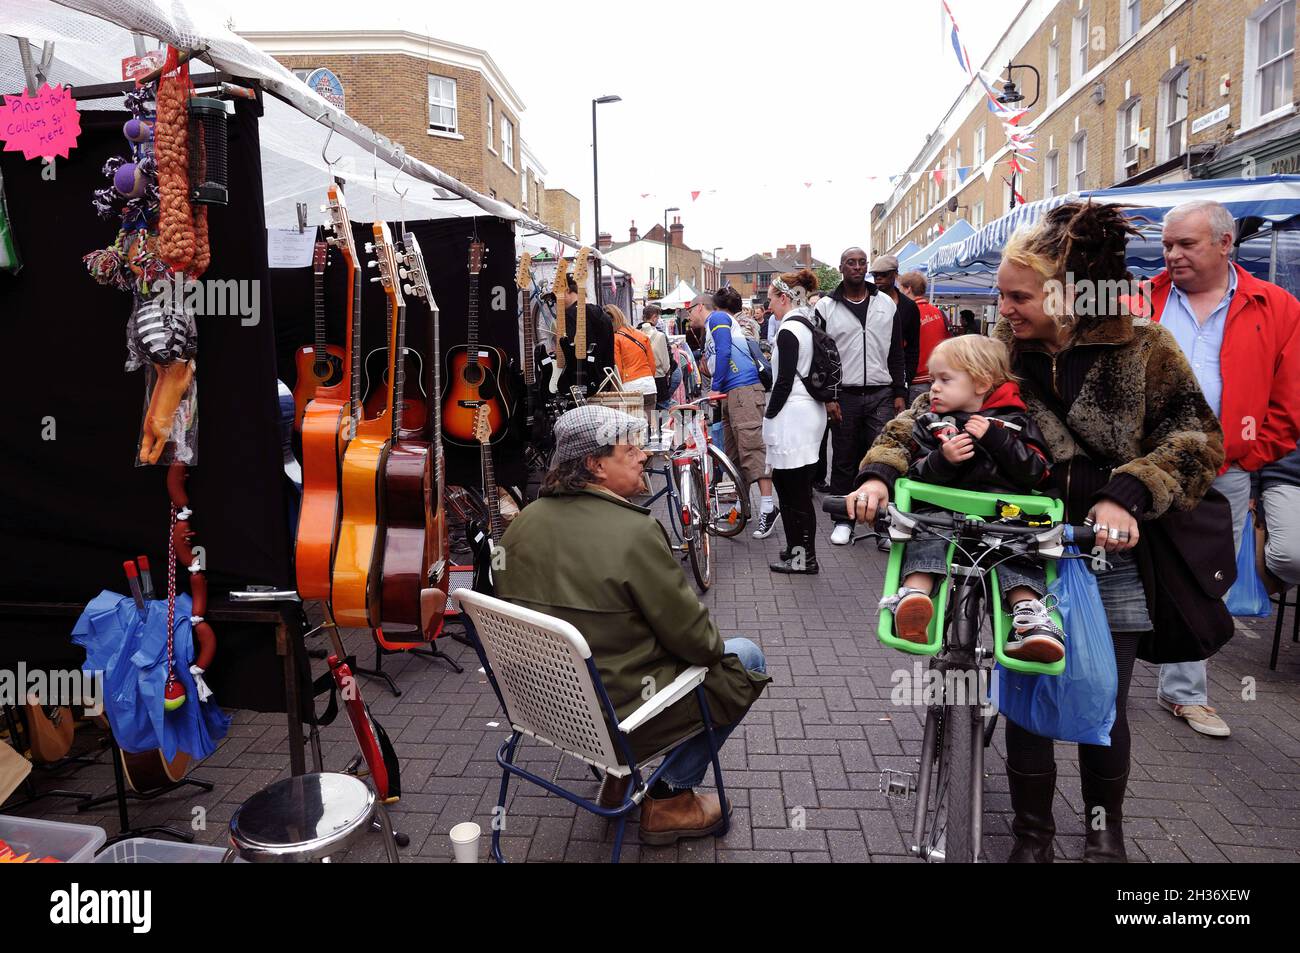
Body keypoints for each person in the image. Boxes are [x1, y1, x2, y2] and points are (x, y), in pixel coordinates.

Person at [851, 201, 1224, 863]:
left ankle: (1104, 833)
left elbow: (1196, 441)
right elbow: (919, 415)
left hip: (1105, 552)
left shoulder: (1145, 347)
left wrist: (1127, 493)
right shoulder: (1002, 352)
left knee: (1101, 698)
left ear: (1065, 291)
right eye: (1000, 293)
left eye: (1016, 294)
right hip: (1020, 544)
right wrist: (880, 471)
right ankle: (1033, 837)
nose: (1004, 306)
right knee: (1027, 688)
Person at [493, 404, 770, 842]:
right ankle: (669, 799)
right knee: (745, 656)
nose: (644, 455)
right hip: (619, 716)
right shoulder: (634, 532)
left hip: (545, 709)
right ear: (595, 465)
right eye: (630, 449)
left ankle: (618, 777)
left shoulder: (520, 526)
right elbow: (701, 645)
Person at [1147, 199, 1300, 738]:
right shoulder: (1140, 299)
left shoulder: (1276, 306)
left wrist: (1245, 456)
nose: (1173, 254)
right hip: (1140, 463)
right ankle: (1100, 675)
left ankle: (1184, 693)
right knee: (1110, 561)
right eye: (1168, 244)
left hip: (1223, 468)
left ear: (1224, 243)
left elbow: (1290, 400)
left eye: (1186, 244)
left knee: (1202, 578)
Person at [865, 336, 1062, 661]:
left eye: (944, 379)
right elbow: (913, 474)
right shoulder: (931, 422)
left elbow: (1038, 472)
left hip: (1006, 520)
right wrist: (942, 460)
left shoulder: (1016, 423)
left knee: (1020, 552)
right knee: (925, 534)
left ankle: (1029, 616)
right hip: (944, 517)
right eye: (932, 380)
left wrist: (999, 439)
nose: (934, 389)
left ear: (982, 383)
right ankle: (915, 599)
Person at [815, 247, 905, 548]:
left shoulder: (886, 305)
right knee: (843, 458)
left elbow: (896, 352)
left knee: (879, 458)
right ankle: (844, 521)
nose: (857, 267)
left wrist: (900, 392)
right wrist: (829, 396)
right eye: (851, 263)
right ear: (841, 267)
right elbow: (820, 356)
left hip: (881, 391)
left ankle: (881, 525)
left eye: (861, 263)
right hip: (846, 394)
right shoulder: (827, 306)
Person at [690, 288, 779, 538]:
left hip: (742, 389)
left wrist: (716, 388)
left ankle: (768, 508)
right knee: (732, 453)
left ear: (700, 307)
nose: (688, 317)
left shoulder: (716, 318)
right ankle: (743, 505)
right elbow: (718, 358)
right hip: (733, 392)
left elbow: (726, 351)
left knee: (752, 447)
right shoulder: (712, 326)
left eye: (690, 310)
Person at [763, 269, 828, 574]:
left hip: (794, 415)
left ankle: (804, 558)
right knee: (790, 486)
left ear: (784, 297)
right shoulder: (806, 323)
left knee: (794, 491)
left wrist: (768, 416)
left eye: (771, 299)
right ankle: (795, 551)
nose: (769, 306)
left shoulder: (789, 330)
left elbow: (784, 382)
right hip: (807, 412)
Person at [899, 270, 953, 407]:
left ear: (907, 289)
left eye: (900, 288)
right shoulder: (939, 313)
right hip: (939, 380)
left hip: (916, 380)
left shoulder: (906, 314)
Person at [559, 273, 615, 395]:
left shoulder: (569, 315)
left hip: (576, 386)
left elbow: (570, 353)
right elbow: (609, 353)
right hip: (602, 384)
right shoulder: (604, 316)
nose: (558, 300)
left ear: (567, 290)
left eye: (559, 293)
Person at [606, 304, 658, 428]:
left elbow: (617, 369)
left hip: (630, 386)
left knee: (635, 432)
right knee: (651, 428)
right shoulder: (641, 335)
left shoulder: (615, 338)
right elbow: (652, 365)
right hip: (649, 384)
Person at [639, 303, 675, 412]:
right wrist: (667, 373)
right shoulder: (660, 336)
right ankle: (682, 424)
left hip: (643, 379)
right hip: (659, 378)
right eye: (657, 317)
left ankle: (655, 428)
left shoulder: (636, 335)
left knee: (651, 411)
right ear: (654, 317)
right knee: (664, 409)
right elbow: (665, 363)